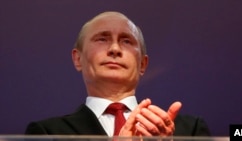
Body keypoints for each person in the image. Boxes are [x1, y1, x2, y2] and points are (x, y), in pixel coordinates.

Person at [25, 11, 210, 136]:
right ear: (77, 59)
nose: (114, 49)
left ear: (143, 64)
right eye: (102, 39)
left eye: (126, 41)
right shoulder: (47, 133)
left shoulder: (189, 131)